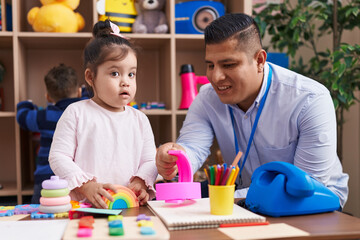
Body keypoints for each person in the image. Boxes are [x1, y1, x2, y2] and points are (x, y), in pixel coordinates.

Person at [156, 13, 349, 208]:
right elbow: (193, 148)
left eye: (228, 65)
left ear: (259, 60)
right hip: (242, 191)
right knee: (162, 201)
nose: (216, 77)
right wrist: (176, 157)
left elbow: (307, 184)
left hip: (310, 196)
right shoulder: (207, 97)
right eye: (210, 65)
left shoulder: (309, 99)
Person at [49, 20, 158, 208]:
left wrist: (141, 181)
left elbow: (149, 160)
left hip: (128, 205)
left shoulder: (140, 119)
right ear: (91, 77)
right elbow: (58, 156)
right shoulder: (76, 113)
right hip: (86, 207)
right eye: (115, 73)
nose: (126, 82)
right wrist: (87, 185)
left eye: (131, 74)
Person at [16, 63, 84, 204]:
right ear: (78, 92)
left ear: (48, 97)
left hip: (45, 179)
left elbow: (22, 117)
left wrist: (26, 104)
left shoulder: (44, 116)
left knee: (42, 213)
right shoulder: (85, 112)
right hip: (76, 179)